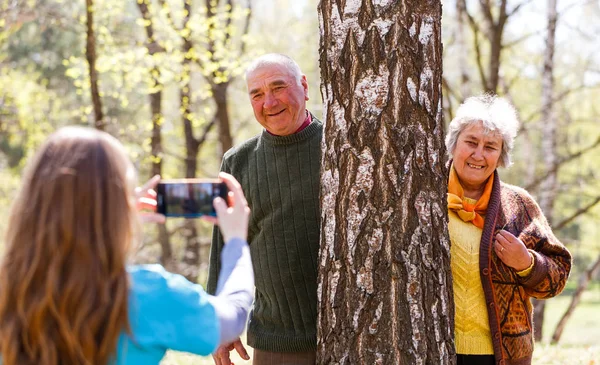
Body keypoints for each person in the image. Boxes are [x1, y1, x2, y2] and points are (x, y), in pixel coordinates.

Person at [0, 126, 254, 365]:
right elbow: (232, 319)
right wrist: (236, 242)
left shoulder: (9, 294)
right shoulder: (145, 294)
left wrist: (118, 223)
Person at [207, 53, 322, 365]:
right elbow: (224, 248)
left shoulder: (338, 147)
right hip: (277, 342)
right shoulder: (237, 162)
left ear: (304, 86)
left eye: (278, 87)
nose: (269, 103)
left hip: (351, 332)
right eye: (257, 94)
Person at [445, 94, 572, 365]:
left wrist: (527, 263)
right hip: (435, 350)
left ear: (500, 156)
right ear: (454, 144)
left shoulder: (519, 206)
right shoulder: (423, 198)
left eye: (490, 146)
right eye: (471, 142)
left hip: (501, 356)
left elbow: (558, 275)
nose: (479, 154)